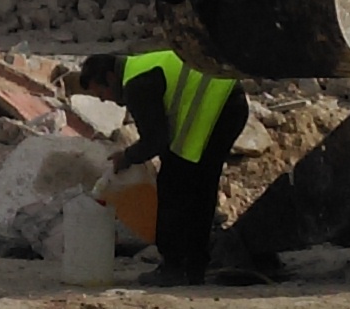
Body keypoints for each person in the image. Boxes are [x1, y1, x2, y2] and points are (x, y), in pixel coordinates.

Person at [84, 49, 252, 286]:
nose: (107, 100)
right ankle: (193, 266)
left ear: (111, 77)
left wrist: (128, 157)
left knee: (174, 186)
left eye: (103, 93)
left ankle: (175, 266)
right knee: (200, 185)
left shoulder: (136, 84)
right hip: (229, 103)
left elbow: (155, 139)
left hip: (215, 109)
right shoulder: (142, 66)